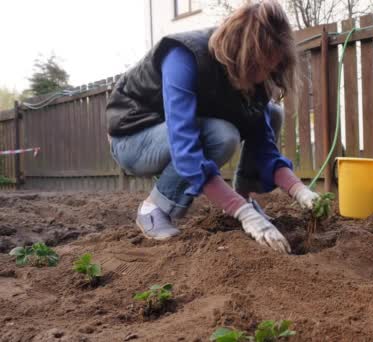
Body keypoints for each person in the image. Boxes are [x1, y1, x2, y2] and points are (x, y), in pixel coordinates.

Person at [105, 0, 319, 254]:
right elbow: (185, 147)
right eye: (259, 67)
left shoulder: (256, 78)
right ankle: (154, 208)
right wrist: (242, 213)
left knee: (272, 112)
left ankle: (244, 195)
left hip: (174, 136)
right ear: (241, 52)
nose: (263, 76)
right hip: (132, 138)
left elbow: (264, 148)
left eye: (270, 68)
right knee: (221, 135)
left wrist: (301, 191)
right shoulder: (183, 55)